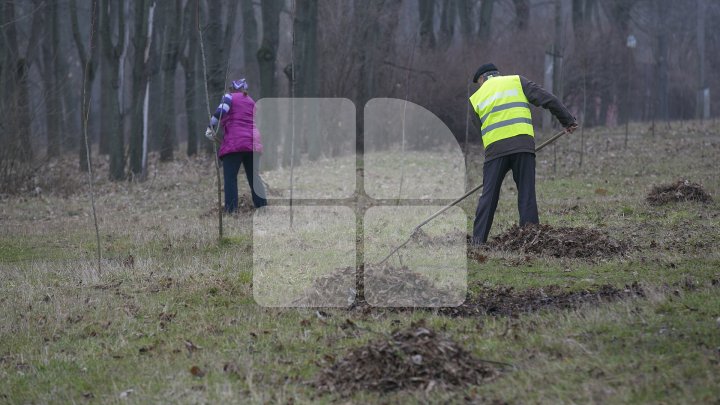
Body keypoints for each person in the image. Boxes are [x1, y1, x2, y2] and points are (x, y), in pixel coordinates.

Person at [468, 63, 577, 245]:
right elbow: (548, 99)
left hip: (495, 150)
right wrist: (567, 120)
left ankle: (478, 242)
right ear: (497, 74)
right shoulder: (517, 81)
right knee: (526, 194)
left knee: (488, 196)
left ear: (482, 79)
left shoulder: (475, 98)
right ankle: (531, 240)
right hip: (523, 146)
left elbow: (480, 130)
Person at [205, 78, 267, 212]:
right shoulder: (251, 101)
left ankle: (231, 211)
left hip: (235, 143)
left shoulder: (229, 97)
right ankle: (262, 208)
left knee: (231, 178)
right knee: (254, 177)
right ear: (245, 89)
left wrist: (210, 127)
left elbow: (220, 112)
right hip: (253, 143)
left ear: (232, 88)